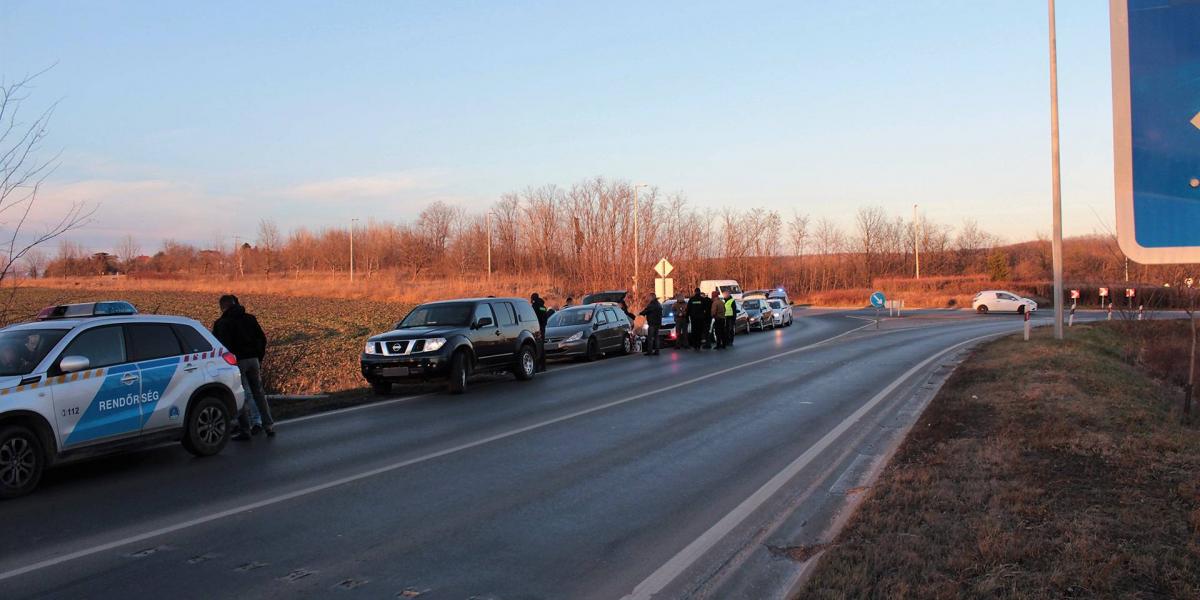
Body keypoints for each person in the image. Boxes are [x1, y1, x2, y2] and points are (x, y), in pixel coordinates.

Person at [212, 294, 274, 440]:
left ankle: (246, 429)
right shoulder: (250, 318)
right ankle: (269, 426)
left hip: (237, 362)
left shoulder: (222, 323)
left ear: (223, 307)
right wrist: (258, 357)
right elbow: (262, 339)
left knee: (243, 395)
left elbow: (221, 347)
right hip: (253, 360)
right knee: (259, 393)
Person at [531, 293, 550, 372]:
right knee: (541, 347)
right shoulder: (543, 307)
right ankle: (543, 366)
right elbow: (545, 318)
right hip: (543, 328)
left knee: (537, 348)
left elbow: (533, 318)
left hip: (537, 329)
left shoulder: (535, 307)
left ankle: (538, 366)